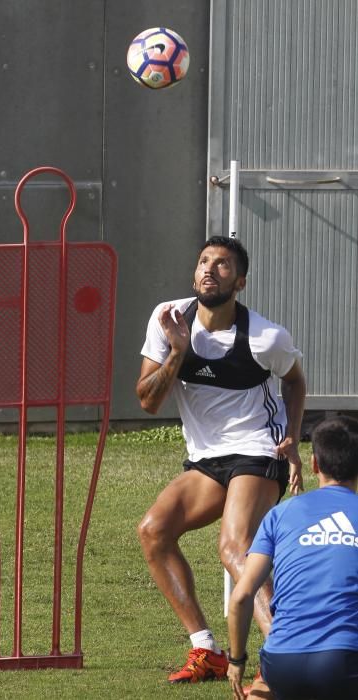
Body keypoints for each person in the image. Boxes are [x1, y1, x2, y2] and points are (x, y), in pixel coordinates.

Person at [136, 235, 306, 683]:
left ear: (241, 281)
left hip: (256, 450)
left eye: (224, 264)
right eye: (204, 261)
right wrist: (177, 351)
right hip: (206, 460)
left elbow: (295, 382)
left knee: (234, 548)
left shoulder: (267, 336)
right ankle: (206, 650)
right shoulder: (168, 319)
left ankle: (287, 654)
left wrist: (290, 439)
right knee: (153, 531)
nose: (210, 269)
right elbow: (148, 401)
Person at [227, 415, 358, 700]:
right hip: (344, 660)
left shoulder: (280, 514)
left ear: (314, 464)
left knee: (265, 690)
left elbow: (240, 596)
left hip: (281, 662)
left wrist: (236, 661)